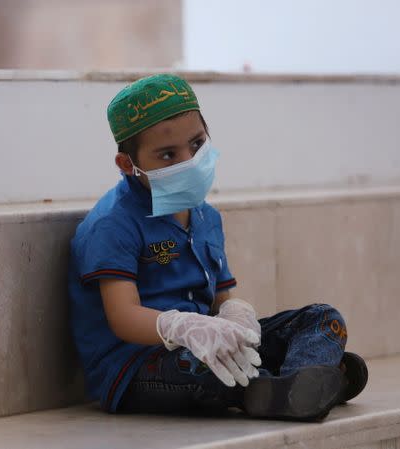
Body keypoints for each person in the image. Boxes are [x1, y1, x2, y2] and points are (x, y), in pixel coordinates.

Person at [68, 73, 367, 420]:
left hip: (209, 345)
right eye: (167, 154)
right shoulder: (113, 223)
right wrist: (182, 327)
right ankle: (307, 381)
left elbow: (222, 298)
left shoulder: (206, 217)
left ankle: (292, 387)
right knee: (204, 369)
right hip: (139, 367)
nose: (188, 160)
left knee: (323, 320)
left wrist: (234, 314)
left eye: (196, 144)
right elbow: (123, 317)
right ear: (128, 165)